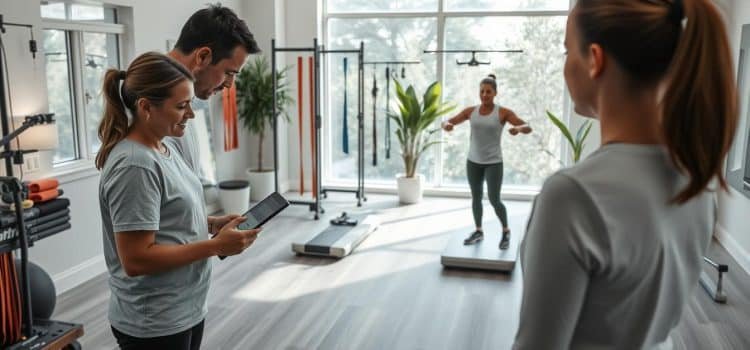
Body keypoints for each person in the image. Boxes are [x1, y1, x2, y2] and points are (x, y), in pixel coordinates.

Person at [513, 0, 737, 348]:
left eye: (566, 50)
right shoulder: (698, 185)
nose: (564, 65)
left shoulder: (572, 196)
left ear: (594, 60)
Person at [96, 52, 261, 350]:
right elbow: (135, 259)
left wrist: (209, 223)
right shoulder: (136, 165)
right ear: (146, 107)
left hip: (184, 307)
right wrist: (216, 246)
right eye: (182, 106)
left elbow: (165, 217)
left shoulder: (164, 148)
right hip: (154, 321)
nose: (191, 114)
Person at [165, 4, 261, 174]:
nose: (229, 84)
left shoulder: (183, 105)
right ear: (202, 56)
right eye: (228, 73)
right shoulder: (151, 114)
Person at [442, 74, 532, 249]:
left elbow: (528, 126)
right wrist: (446, 125)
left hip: (493, 163)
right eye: (482, 91)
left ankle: (506, 231)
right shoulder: (471, 111)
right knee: (476, 197)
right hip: (473, 161)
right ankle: (478, 231)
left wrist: (518, 128)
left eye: (488, 92)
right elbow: (447, 120)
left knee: (494, 199)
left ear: (495, 93)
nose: (484, 95)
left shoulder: (503, 112)